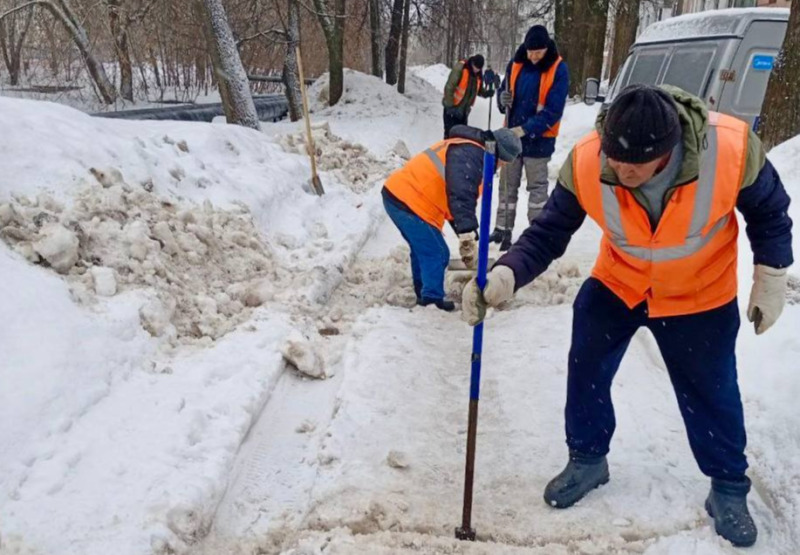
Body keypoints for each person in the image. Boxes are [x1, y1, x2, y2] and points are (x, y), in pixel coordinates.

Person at [461, 84, 793, 547]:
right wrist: (506, 275)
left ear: (668, 150)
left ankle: (728, 487)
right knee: (587, 364)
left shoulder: (731, 149)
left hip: (699, 292)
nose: (620, 170)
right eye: (614, 159)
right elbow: (549, 232)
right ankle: (588, 459)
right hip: (620, 282)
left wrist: (771, 277)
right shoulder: (588, 160)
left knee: (712, 388)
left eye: (633, 165)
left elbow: (771, 214)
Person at [382, 125, 522, 311]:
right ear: (499, 153)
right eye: (503, 162)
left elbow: (454, 202)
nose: (501, 166)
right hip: (410, 200)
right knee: (437, 252)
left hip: (401, 196)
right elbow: (461, 195)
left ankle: (423, 290)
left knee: (423, 249)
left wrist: (469, 235)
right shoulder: (472, 155)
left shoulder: (468, 148)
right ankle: (431, 300)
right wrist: (466, 231)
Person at [489, 25, 569, 251]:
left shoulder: (558, 69)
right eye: (530, 52)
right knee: (507, 185)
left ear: (546, 49)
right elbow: (505, 91)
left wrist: (525, 129)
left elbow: (553, 111)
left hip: (539, 140)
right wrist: (501, 99)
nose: (533, 57)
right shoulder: (516, 63)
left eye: (538, 53)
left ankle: (537, 233)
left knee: (537, 190)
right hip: (512, 139)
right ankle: (502, 228)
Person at [442, 54, 495, 138]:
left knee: (461, 138)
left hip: (463, 113)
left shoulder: (478, 75)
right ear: (472, 63)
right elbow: (449, 86)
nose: (476, 70)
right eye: (475, 67)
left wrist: (487, 93)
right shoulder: (461, 68)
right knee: (450, 137)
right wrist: (449, 106)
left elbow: (479, 90)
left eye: (478, 69)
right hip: (452, 110)